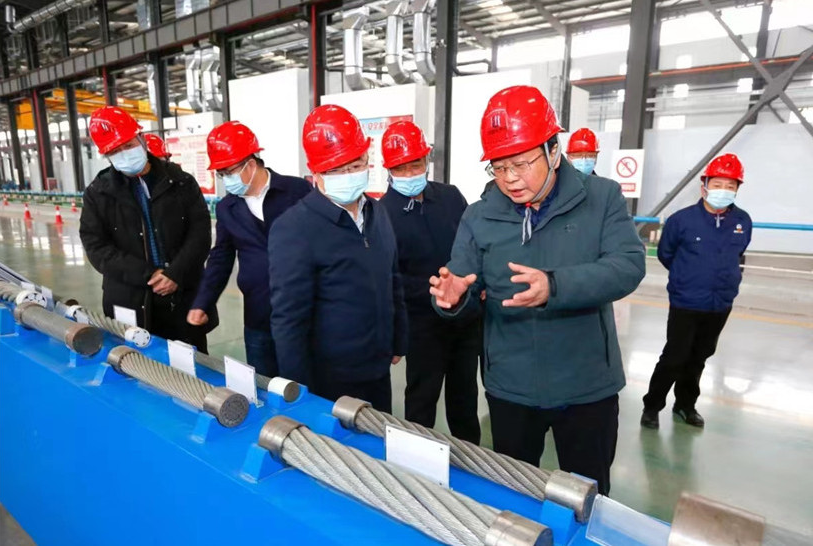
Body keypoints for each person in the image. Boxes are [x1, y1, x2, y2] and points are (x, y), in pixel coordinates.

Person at [429, 86, 646, 495]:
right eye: (498, 167)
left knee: (588, 497)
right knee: (516, 494)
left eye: (521, 164)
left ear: (553, 150)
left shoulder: (602, 199)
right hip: (511, 387)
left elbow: (628, 266)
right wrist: (452, 299)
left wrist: (555, 286)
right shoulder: (479, 216)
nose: (510, 178)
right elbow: (462, 281)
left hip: (586, 385)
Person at [268, 105, 406, 412]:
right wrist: (300, 394)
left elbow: (392, 279)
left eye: (355, 165)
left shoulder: (378, 212)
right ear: (315, 171)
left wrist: (397, 339)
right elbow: (289, 321)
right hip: (330, 381)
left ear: (367, 159)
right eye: (336, 169)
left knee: (378, 436)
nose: (348, 175)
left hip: (378, 366)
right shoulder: (294, 228)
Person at [378, 121, 481, 443]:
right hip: (422, 324)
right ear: (388, 170)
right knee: (422, 399)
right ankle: (416, 459)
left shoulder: (451, 197)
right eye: (401, 168)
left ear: (426, 161)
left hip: (464, 318)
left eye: (415, 165)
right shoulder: (381, 214)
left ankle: (470, 457)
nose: (410, 174)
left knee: (465, 398)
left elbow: (474, 245)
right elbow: (387, 278)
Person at [79, 106, 211, 351]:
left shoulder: (181, 182)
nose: (124, 154)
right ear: (106, 155)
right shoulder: (98, 193)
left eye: (128, 145)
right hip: (131, 298)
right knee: (137, 364)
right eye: (114, 151)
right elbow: (96, 247)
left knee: (192, 362)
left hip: (182, 294)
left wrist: (175, 273)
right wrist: (147, 274)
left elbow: (200, 232)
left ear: (141, 138)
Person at [187, 121, 312, 376]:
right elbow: (221, 257)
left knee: (306, 384)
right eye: (221, 173)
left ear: (251, 164)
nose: (226, 179)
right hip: (258, 314)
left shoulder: (297, 191)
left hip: (304, 311)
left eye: (229, 171)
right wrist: (202, 301)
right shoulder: (227, 208)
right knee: (264, 384)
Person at [641, 153, 752, 430]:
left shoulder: (742, 221)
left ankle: (685, 405)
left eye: (730, 186)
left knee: (699, 357)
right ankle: (652, 406)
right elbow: (666, 254)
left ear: (737, 189)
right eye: (718, 184)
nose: (723, 191)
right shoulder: (681, 220)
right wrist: (688, 277)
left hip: (720, 303)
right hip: (686, 301)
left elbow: (739, 252)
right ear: (704, 186)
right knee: (674, 356)